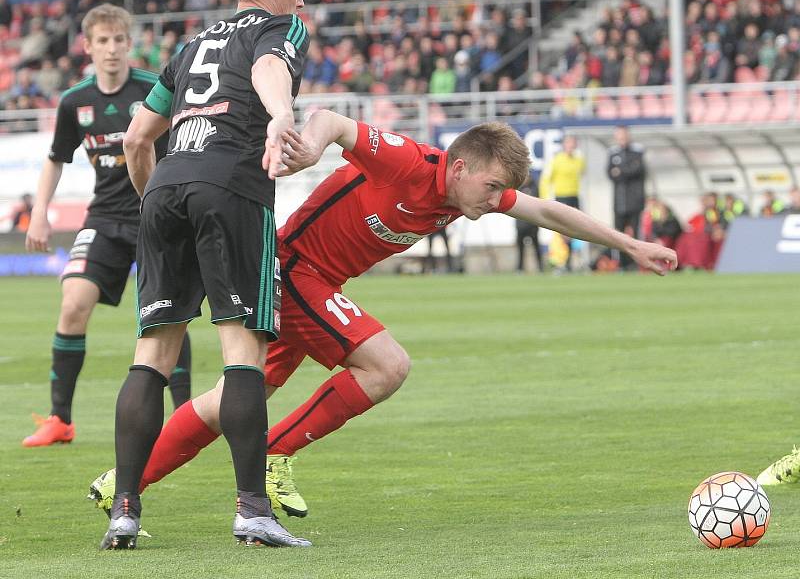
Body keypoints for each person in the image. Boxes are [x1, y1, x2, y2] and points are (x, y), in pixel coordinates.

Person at [89, 109, 677, 522]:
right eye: (491, 186)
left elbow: (550, 212)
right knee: (387, 366)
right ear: (460, 165)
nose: (494, 200)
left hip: (313, 283)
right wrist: (316, 146)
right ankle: (275, 456)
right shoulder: (411, 163)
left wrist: (631, 247)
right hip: (293, 271)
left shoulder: (469, 192)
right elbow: (332, 119)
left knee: (230, 402)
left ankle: (124, 480)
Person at [100, 0, 311, 550]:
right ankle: (251, 510)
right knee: (242, 354)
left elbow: (138, 139)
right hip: (232, 190)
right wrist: (280, 115)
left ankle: (125, 511)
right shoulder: (279, 30)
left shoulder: (191, 44)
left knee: (152, 356)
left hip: (165, 190)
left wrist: (152, 204)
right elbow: (273, 69)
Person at [22, 4, 192, 449]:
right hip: (103, 218)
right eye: (103, 41)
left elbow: (183, 147)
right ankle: (60, 420)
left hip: (153, 214)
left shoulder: (154, 89)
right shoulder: (74, 101)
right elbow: (56, 159)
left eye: (119, 40)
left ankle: (187, 418)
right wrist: (40, 210)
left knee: (165, 313)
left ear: (129, 44)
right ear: (88, 46)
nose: (112, 49)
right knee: (73, 301)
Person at [540, 135, 585, 271]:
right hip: (561, 198)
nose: (571, 146)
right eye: (568, 143)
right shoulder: (557, 160)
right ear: (564, 145)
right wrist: (545, 198)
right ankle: (560, 261)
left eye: (573, 143)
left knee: (574, 232)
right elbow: (546, 180)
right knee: (561, 232)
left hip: (574, 197)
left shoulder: (579, 160)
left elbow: (582, 174)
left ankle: (571, 261)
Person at [606, 125, 646, 270]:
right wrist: (626, 170)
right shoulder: (613, 153)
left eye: (624, 135)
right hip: (619, 202)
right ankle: (622, 264)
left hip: (635, 201)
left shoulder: (637, 151)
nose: (622, 138)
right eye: (619, 136)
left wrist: (621, 171)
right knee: (619, 234)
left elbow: (637, 169)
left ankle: (637, 263)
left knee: (635, 233)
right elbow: (610, 174)